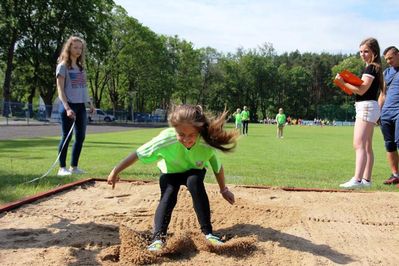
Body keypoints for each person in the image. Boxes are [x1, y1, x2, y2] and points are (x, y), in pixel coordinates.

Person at [107, 104, 238, 251]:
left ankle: (208, 233)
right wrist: (115, 170)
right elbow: (138, 154)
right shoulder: (166, 138)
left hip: (194, 170)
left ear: (199, 131)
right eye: (181, 134)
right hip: (170, 172)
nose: (186, 139)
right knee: (169, 193)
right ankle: (157, 239)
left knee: (194, 181)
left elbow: (217, 167)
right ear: (174, 129)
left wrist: (224, 189)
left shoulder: (205, 142)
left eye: (191, 135)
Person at [335, 37, 383, 188]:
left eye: (366, 51)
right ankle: (366, 180)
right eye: (361, 51)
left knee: (359, 144)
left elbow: (362, 90)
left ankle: (357, 179)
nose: (362, 54)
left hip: (366, 107)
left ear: (374, 52)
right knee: (367, 145)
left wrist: (343, 83)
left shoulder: (370, 68)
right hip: (370, 107)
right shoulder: (375, 67)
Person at [56, 36, 95, 176]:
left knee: (80, 137)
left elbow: (84, 87)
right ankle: (62, 168)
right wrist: (67, 108)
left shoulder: (80, 67)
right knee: (67, 136)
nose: (78, 50)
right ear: (69, 48)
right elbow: (60, 89)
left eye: (80, 48)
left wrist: (90, 103)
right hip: (69, 105)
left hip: (80, 106)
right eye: (75, 47)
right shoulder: (63, 66)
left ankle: (74, 167)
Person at [378, 46, 399, 186]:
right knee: (389, 144)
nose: (389, 61)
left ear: (398, 54)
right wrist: (378, 112)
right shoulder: (386, 73)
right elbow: (382, 94)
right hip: (386, 113)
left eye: (391, 58)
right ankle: (395, 175)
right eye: (386, 59)